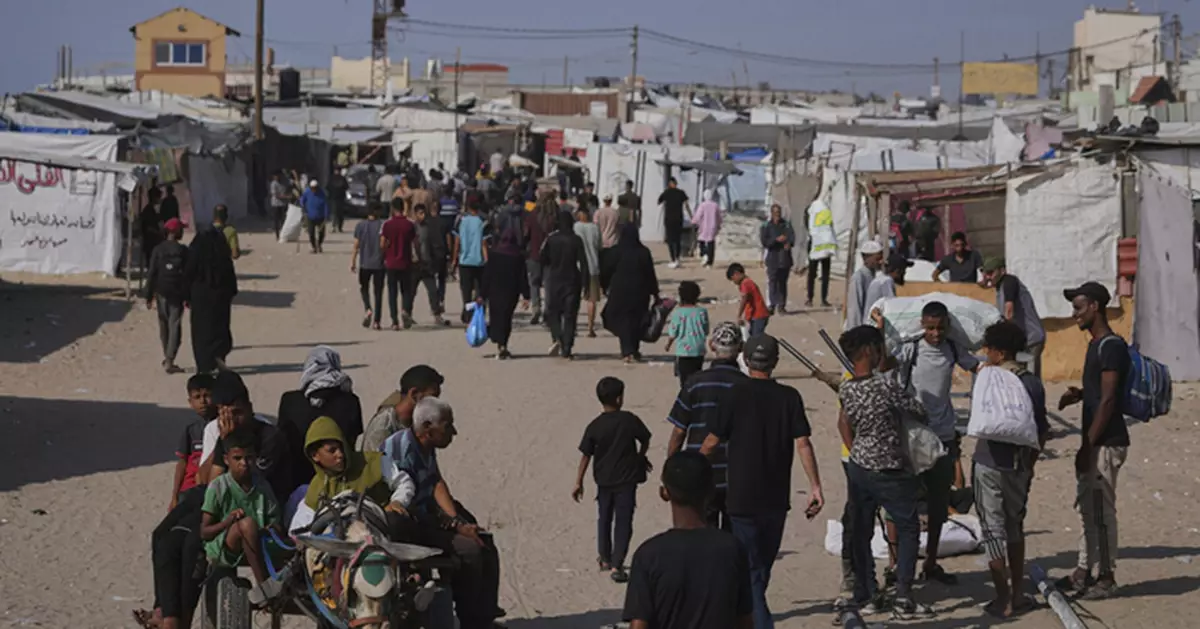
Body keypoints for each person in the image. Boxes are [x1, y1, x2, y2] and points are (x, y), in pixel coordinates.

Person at [700, 334, 823, 629]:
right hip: (776, 498)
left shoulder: (733, 394)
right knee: (760, 568)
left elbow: (710, 443)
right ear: (775, 361)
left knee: (755, 571)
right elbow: (803, 443)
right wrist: (815, 486)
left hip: (742, 497)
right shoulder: (789, 397)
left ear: (744, 359)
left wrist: (692, 474)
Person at [876, 300, 980, 585]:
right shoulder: (911, 348)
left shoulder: (953, 348)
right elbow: (885, 365)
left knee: (938, 503)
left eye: (940, 328)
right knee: (899, 503)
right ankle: (895, 565)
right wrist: (882, 331)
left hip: (942, 436)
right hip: (911, 436)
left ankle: (931, 562)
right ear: (922, 325)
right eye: (930, 328)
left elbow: (977, 366)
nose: (935, 334)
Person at [837, 325, 932, 618]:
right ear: (869, 350)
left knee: (861, 530)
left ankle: (866, 593)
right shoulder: (885, 386)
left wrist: (858, 451)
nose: (882, 354)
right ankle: (903, 596)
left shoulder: (846, 388)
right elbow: (919, 411)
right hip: (889, 468)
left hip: (859, 466)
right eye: (879, 349)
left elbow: (843, 423)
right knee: (908, 528)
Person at [383, 398, 503, 629]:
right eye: (448, 426)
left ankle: (483, 616)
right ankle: (471, 620)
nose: (454, 432)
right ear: (428, 428)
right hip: (410, 525)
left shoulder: (425, 446)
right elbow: (408, 507)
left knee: (483, 539)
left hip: (429, 515)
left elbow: (436, 482)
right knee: (470, 549)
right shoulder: (401, 451)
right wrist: (455, 526)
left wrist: (457, 520)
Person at [1056, 282, 1130, 600]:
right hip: (1096, 440)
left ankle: (1106, 578)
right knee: (1088, 508)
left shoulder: (1111, 346)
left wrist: (1088, 446)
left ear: (1095, 307)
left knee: (1101, 511)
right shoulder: (1096, 345)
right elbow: (1101, 392)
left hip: (1105, 442)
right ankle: (1084, 571)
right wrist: (1081, 395)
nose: (1075, 314)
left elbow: (1110, 400)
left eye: (1078, 308)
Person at [622, 451, 753, 629]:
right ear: (711, 492)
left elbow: (639, 624)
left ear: (664, 493)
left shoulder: (648, 555)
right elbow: (745, 621)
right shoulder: (733, 549)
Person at [973, 320, 1049, 618]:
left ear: (1000, 352)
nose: (986, 354)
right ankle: (1017, 594)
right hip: (1019, 466)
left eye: (989, 349)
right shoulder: (1032, 383)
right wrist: (1029, 465)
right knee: (1015, 528)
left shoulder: (988, 377)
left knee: (992, 532)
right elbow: (1041, 429)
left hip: (988, 463)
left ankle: (1002, 598)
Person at [134, 375, 217, 629]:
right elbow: (182, 463)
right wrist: (174, 495)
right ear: (189, 401)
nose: (203, 401)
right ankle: (162, 606)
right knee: (162, 539)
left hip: (206, 495)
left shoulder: (219, 427)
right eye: (197, 397)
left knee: (187, 547)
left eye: (207, 395)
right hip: (188, 494)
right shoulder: (192, 430)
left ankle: (174, 615)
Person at [666, 323, 747, 530]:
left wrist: (670, 472)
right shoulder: (747, 386)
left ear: (711, 346)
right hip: (736, 476)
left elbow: (679, 431)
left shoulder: (695, 382)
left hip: (700, 473)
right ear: (741, 349)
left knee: (704, 533)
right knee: (732, 536)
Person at [572, 377, 652, 583]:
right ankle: (618, 564)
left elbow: (586, 455)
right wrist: (640, 457)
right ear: (619, 398)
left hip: (603, 480)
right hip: (626, 480)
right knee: (624, 521)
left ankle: (605, 558)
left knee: (604, 518)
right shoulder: (629, 420)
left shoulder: (595, 426)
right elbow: (645, 438)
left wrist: (578, 482)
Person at [287, 416, 414, 532]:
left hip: (382, 533)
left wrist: (397, 502)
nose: (340, 454)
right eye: (332, 451)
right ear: (315, 456)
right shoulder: (316, 487)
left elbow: (404, 483)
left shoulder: (373, 462)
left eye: (341, 447)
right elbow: (299, 527)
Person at [199, 431, 283, 606]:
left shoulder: (262, 486)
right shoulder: (218, 486)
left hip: (258, 543)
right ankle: (264, 585)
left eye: (249, 458)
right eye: (237, 458)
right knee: (247, 524)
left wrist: (268, 529)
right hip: (225, 545)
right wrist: (227, 522)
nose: (244, 463)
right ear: (226, 459)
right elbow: (205, 532)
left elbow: (276, 523)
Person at [276, 345, 364, 487]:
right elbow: (351, 443)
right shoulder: (350, 401)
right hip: (339, 481)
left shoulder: (289, 400)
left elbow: (283, 441)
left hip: (296, 481)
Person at [480, 195, 531, 359]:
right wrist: (526, 295)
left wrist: (482, 294)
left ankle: (498, 340)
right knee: (506, 318)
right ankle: (503, 344)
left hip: (495, 291)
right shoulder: (517, 256)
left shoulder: (495, 254)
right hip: (511, 292)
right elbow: (522, 276)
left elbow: (487, 275)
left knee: (496, 316)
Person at [981, 257, 1046, 377]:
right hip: (1020, 340)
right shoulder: (999, 287)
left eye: (991, 273)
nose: (988, 277)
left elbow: (1009, 311)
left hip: (1031, 339)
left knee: (1030, 378)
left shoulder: (1009, 282)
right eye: (985, 273)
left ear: (1002, 271)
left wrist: (1003, 338)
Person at [603, 223, 659, 363]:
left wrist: (604, 286)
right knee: (636, 320)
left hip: (620, 291)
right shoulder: (643, 252)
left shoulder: (616, 251)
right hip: (640, 292)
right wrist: (655, 292)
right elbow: (650, 273)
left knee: (622, 320)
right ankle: (633, 350)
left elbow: (606, 271)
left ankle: (627, 351)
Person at [184, 227, 237, 373]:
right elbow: (231, 280)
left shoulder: (195, 256)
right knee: (220, 330)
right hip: (221, 297)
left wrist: (187, 296)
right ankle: (219, 360)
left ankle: (204, 365)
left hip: (200, 298)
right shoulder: (223, 258)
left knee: (201, 333)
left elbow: (188, 275)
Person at [361, 364, 444, 452]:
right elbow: (376, 460)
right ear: (414, 394)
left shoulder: (419, 423)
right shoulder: (382, 428)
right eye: (432, 398)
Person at [541, 211, 589, 359]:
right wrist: (586, 284)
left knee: (553, 312)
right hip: (572, 281)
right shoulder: (576, 240)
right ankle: (567, 347)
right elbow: (584, 263)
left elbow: (543, 259)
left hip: (555, 280)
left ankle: (557, 337)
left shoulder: (551, 239)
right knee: (570, 315)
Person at [145, 218, 189, 374]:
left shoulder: (158, 249)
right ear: (176, 232)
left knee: (163, 325)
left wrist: (148, 295)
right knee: (174, 325)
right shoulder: (183, 251)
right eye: (181, 229)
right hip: (177, 294)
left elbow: (152, 273)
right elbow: (188, 275)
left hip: (161, 292)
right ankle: (170, 360)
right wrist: (188, 296)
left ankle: (167, 356)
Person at [381, 198, 419, 330]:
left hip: (391, 263)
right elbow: (415, 242)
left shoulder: (387, 225)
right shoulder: (409, 225)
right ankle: (405, 310)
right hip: (406, 262)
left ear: (392, 208)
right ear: (403, 208)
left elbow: (382, 244)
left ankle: (394, 321)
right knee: (406, 290)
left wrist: (386, 252)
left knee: (392, 292)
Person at [665, 281, 709, 387]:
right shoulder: (702, 312)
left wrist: (668, 345)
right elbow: (706, 330)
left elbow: (673, 332)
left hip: (683, 351)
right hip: (699, 350)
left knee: (684, 379)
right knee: (697, 374)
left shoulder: (678, 313)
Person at [413, 204, 451, 326]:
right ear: (415, 214)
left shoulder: (429, 227)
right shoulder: (412, 227)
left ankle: (437, 314)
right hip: (415, 264)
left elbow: (434, 243)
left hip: (427, 263)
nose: (423, 216)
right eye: (420, 213)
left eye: (424, 213)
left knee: (433, 290)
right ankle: (406, 313)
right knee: (410, 291)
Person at [452, 199, 489, 324]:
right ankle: (478, 314)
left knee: (466, 291)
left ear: (468, 208)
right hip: (479, 262)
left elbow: (457, 242)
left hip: (464, 261)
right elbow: (484, 244)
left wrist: (454, 259)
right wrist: (487, 260)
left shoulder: (461, 221)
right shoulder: (482, 222)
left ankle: (467, 315)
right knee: (480, 291)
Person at [524, 192, 557, 326]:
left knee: (534, 283)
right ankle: (547, 312)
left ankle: (536, 308)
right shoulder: (554, 217)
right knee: (549, 285)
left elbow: (526, 234)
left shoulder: (532, 215)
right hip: (551, 255)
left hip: (534, 253)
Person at [352, 203, 386, 329]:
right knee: (378, 293)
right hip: (379, 264)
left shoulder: (360, 226)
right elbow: (384, 244)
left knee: (364, 288)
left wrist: (353, 261)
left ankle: (367, 308)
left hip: (364, 264)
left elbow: (356, 245)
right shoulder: (383, 225)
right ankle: (377, 321)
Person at [759, 204, 795, 314]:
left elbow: (792, 238)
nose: (777, 215)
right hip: (772, 258)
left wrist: (788, 243)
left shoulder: (786, 225)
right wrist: (775, 240)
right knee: (772, 282)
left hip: (784, 258)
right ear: (771, 213)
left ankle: (781, 306)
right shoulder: (766, 226)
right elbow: (764, 242)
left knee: (782, 283)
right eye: (775, 212)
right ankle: (772, 305)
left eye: (778, 212)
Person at [573, 206, 602, 338]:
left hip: (578, 266)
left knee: (574, 299)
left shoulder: (576, 227)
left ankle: (573, 326)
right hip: (593, 265)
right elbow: (599, 246)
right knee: (592, 299)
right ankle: (590, 328)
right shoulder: (595, 227)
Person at [843, 241, 884, 331]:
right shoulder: (858, 278)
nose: (881, 261)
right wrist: (856, 332)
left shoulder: (876, 276)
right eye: (877, 259)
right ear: (866, 258)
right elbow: (854, 309)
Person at [805, 194, 836, 308]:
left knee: (822, 273)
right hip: (818, 244)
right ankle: (811, 298)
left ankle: (821, 298)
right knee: (814, 273)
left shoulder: (822, 210)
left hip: (820, 243)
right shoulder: (811, 211)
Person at [726, 263, 769, 338]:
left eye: (733, 279)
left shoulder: (745, 283)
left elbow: (744, 298)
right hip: (754, 315)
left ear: (737, 274)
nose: (734, 282)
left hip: (758, 315)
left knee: (756, 338)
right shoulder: (747, 282)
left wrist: (739, 315)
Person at [658, 177, 690, 268]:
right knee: (678, 239)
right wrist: (691, 216)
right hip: (678, 219)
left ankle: (673, 259)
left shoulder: (666, 192)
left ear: (669, 184)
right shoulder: (681, 193)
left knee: (670, 240)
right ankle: (677, 258)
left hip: (669, 219)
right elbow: (686, 205)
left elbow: (659, 201)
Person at [692, 189, 722, 269]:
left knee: (701, 242)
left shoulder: (702, 205)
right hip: (712, 227)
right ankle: (710, 263)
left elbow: (698, 216)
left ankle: (704, 254)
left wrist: (694, 221)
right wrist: (719, 224)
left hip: (703, 227)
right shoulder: (715, 205)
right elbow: (719, 217)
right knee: (711, 244)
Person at [299, 180, 329, 254]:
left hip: (321, 216)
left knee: (321, 233)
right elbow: (302, 200)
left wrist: (326, 215)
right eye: (312, 188)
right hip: (310, 216)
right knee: (311, 233)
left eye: (315, 188)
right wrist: (302, 205)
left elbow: (326, 204)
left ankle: (319, 244)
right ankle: (314, 247)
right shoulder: (307, 192)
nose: (314, 189)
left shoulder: (322, 193)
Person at [140, 188, 164, 272]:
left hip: (154, 241)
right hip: (151, 242)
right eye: (159, 197)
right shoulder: (148, 210)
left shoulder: (153, 210)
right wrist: (159, 233)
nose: (160, 199)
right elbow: (148, 227)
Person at [269, 171, 292, 239]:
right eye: (275, 176)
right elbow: (276, 195)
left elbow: (289, 188)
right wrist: (286, 197)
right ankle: (277, 235)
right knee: (276, 220)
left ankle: (283, 234)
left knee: (283, 220)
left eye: (278, 175)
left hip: (283, 204)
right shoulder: (273, 184)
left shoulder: (284, 182)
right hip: (276, 204)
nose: (277, 177)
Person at [327, 167, 349, 233]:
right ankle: (338, 227)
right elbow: (346, 187)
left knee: (335, 213)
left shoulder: (332, 178)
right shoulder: (342, 178)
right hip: (339, 199)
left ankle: (335, 227)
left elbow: (327, 187)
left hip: (335, 198)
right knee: (339, 214)